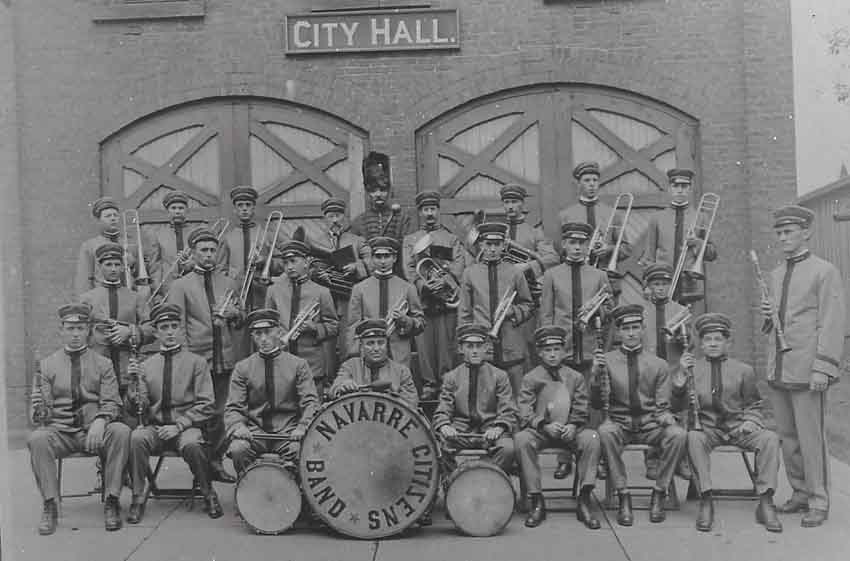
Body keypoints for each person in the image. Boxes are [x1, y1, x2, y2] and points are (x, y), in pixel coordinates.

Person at [760, 204, 845, 527]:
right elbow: (777, 324)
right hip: (780, 366)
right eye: (779, 233)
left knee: (811, 438)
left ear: (805, 232)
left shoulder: (825, 271)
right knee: (788, 436)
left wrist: (823, 367)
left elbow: (832, 322)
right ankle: (799, 491)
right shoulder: (776, 273)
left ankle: (819, 500)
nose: (782, 238)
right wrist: (768, 314)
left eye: (789, 232)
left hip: (809, 368)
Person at [28, 303, 131, 535]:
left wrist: (101, 420)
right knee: (37, 439)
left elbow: (112, 402)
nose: (75, 334)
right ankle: (50, 504)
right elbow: (39, 417)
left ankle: (112, 500)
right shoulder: (46, 365)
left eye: (81, 328)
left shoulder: (103, 364)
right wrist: (39, 409)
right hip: (62, 433)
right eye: (70, 328)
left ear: (89, 331)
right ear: (61, 330)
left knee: (121, 432)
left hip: (94, 432)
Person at [674, 312, 782, 533]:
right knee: (693, 438)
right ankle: (706, 500)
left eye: (718, 339)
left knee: (770, 439)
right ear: (701, 344)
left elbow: (754, 404)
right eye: (708, 340)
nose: (713, 344)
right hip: (707, 429)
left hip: (737, 427)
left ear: (727, 343)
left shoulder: (743, 370)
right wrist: (680, 377)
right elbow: (675, 406)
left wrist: (751, 421)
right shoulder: (693, 369)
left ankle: (766, 502)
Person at [126, 303, 222, 522]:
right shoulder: (147, 365)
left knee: (192, 444)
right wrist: (133, 384)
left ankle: (208, 493)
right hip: (156, 428)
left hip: (186, 427)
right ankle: (138, 497)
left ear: (180, 329)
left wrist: (179, 425)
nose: (170, 332)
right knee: (136, 438)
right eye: (164, 327)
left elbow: (207, 403)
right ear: (157, 332)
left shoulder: (197, 363)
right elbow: (135, 409)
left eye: (174, 326)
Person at [593, 304, 686, 526]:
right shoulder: (606, 360)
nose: (632, 333)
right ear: (618, 332)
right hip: (620, 424)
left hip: (650, 424)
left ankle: (659, 492)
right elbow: (597, 402)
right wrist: (595, 376)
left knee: (678, 435)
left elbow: (662, 405)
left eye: (636, 327)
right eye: (626, 329)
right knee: (605, 432)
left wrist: (666, 417)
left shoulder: (658, 364)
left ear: (643, 329)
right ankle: (623, 493)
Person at [167, 227, 242, 483]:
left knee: (221, 412)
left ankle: (216, 461)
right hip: (197, 359)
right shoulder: (181, 285)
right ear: (194, 253)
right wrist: (185, 362)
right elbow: (178, 327)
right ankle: (200, 467)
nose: (209, 255)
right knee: (201, 412)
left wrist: (235, 315)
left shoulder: (229, 282)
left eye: (213, 250)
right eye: (204, 250)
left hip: (225, 357)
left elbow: (240, 319)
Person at [539, 221, 611, 479]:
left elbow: (609, 312)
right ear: (565, 245)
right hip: (563, 350)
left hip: (590, 347)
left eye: (582, 243)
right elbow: (546, 316)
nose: (577, 248)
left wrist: (598, 312)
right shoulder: (552, 275)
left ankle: (597, 457)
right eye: (572, 243)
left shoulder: (599, 275)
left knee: (593, 403)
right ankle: (564, 457)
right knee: (562, 403)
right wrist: (550, 353)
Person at [514, 325, 602, 529]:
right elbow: (524, 410)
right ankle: (536, 500)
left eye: (556, 350)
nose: (552, 355)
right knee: (521, 439)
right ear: (540, 352)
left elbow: (581, 407)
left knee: (593, 438)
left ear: (563, 351)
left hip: (569, 431)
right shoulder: (531, 378)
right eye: (547, 350)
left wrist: (573, 424)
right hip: (542, 432)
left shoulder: (575, 377)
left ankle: (585, 498)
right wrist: (543, 425)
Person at [224, 308, 319, 475]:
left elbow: (310, 402)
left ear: (279, 332)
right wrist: (238, 426)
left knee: (301, 451)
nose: (263, 339)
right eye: (258, 334)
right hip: (255, 434)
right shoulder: (243, 368)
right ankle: (249, 492)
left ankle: (295, 496)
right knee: (238, 449)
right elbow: (233, 407)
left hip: (289, 432)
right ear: (252, 336)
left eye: (268, 332)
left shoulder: (298, 365)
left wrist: (303, 427)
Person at [403, 190, 469, 398]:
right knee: (423, 346)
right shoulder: (410, 239)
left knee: (446, 344)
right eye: (425, 209)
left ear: (438, 211)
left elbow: (459, 266)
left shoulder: (451, 238)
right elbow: (409, 268)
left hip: (446, 300)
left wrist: (445, 282)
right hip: (423, 300)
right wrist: (424, 286)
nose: (429, 213)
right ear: (419, 212)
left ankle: (446, 383)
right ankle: (429, 383)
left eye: (433, 209)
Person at [432, 322, 517, 480]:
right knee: (437, 447)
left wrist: (498, 428)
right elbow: (443, 408)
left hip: (490, 430)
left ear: (486, 348)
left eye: (479, 346)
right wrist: (444, 426)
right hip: (461, 432)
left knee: (508, 449)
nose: (475, 351)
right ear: (461, 349)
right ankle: (455, 483)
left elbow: (508, 409)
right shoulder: (452, 377)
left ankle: (483, 481)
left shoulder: (499, 376)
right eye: (470, 346)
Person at [459, 222, 534, 397]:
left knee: (516, 395)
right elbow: (464, 313)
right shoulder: (470, 273)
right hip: (482, 345)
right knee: (486, 396)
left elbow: (529, 305)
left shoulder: (515, 272)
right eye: (488, 244)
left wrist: (512, 312)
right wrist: (466, 346)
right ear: (481, 245)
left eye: (497, 245)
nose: (492, 249)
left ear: (503, 246)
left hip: (511, 344)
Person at [80, 243, 154, 404]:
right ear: (99, 267)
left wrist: (130, 332)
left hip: (128, 367)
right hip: (98, 367)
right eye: (108, 264)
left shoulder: (136, 298)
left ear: (123, 267)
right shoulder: (87, 299)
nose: (113, 269)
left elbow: (151, 329)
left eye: (117, 264)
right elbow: (80, 333)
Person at [307, 197, 371, 376]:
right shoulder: (315, 241)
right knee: (325, 345)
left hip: (348, 300)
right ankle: (327, 381)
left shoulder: (357, 240)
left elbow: (371, 262)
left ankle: (347, 379)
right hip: (324, 302)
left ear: (344, 217)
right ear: (325, 218)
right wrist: (317, 274)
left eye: (338, 215)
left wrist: (356, 266)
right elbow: (308, 266)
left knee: (347, 342)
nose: (335, 220)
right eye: (330, 216)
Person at [219, 185, 285, 359]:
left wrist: (264, 262)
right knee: (239, 346)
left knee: (263, 340)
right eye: (240, 205)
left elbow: (282, 265)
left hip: (261, 295)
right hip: (237, 297)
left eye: (248, 205)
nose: (244, 209)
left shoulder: (266, 234)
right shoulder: (228, 237)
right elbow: (221, 270)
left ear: (253, 207)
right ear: (235, 209)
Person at [265, 240, 339, 395]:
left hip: (312, 363)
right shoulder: (273, 291)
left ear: (306, 262)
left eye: (293, 261)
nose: (289, 266)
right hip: (281, 359)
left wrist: (314, 328)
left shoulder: (321, 292)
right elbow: (268, 324)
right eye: (285, 263)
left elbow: (333, 326)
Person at [347, 236, 425, 371]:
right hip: (369, 354)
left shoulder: (408, 288)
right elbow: (353, 326)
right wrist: (355, 354)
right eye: (378, 256)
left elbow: (421, 323)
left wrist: (405, 320)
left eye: (387, 256)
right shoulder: (359, 288)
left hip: (398, 354)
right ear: (372, 258)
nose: (383, 261)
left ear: (394, 258)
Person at [640, 169, 716, 304]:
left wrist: (697, 243)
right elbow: (649, 256)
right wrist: (646, 285)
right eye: (676, 186)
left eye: (684, 186)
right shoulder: (657, 218)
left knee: (688, 323)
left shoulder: (701, 217)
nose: (680, 191)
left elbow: (712, 254)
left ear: (690, 189)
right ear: (669, 188)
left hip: (690, 283)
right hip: (663, 283)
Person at [558, 161, 632, 299]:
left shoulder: (612, 213)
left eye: (595, 180)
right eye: (587, 180)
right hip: (577, 277)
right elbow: (560, 250)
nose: (592, 184)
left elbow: (627, 249)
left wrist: (609, 249)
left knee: (608, 317)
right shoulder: (566, 215)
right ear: (578, 184)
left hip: (607, 277)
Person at [330, 319, 419, 406]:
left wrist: (394, 395)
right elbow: (333, 391)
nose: (376, 349)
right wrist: (342, 386)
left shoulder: (402, 371)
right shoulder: (350, 366)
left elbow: (412, 403)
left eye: (380, 343)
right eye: (370, 343)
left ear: (387, 345)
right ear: (361, 346)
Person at [349, 152, 415, 270]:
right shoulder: (358, 223)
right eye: (373, 190)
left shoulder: (403, 219)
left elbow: (409, 253)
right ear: (368, 193)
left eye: (383, 190)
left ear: (389, 191)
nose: (378, 194)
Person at [75, 196, 149, 294]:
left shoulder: (131, 244)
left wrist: (133, 264)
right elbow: (84, 280)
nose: (113, 218)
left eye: (115, 215)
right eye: (108, 216)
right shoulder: (89, 246)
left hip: (129, 297)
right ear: (99, 220)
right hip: (102, 298)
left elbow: (141, 278)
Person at [147, 191, 199, 306]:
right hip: (168, 286)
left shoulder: (196, 232)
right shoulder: (158, 234)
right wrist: (157, 291)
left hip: (194, 283)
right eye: (173, 208)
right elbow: (155, 266)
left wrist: (193, 264)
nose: (177, 211)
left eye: (181, 208)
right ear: (168, 211)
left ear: (186, 210)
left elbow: (202, 257)